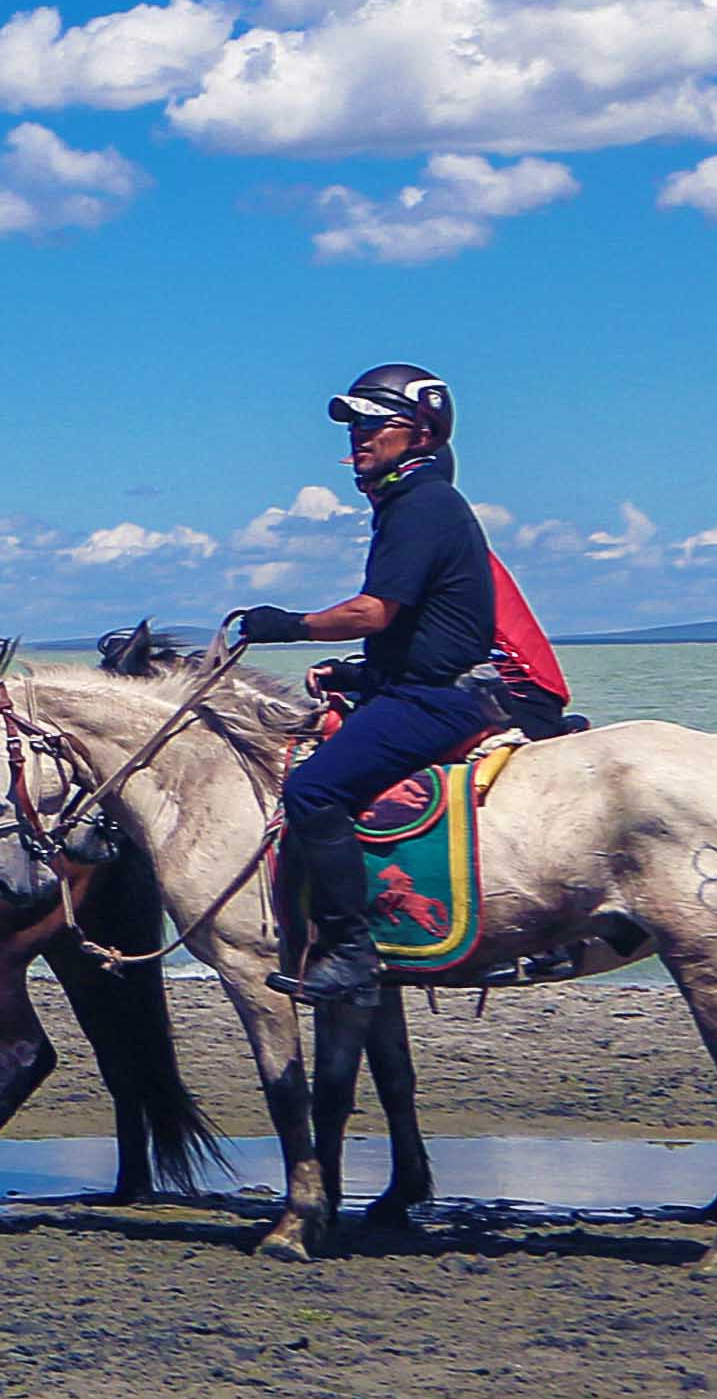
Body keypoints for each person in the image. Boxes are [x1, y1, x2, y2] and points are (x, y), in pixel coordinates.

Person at [225, 363, 539, 1007]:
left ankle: (350, 951)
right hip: (427, 686)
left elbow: (374, 613)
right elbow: (426, 630)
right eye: (355, 427)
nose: (359, 437)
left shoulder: (420, 505)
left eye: (374, 425)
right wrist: (357, 673)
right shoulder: (419, 502)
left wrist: (287, 625)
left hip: (436, 701)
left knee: (313, 788)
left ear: (421, 434)